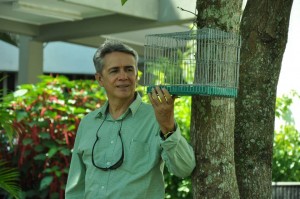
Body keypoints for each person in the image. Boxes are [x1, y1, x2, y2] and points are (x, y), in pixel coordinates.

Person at [65, 40, 196, 199]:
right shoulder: (88, 123)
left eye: (129, 70)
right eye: (114, 71)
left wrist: (168, 125)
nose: (123, 77)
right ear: (100, 79)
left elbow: (184, 169)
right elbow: (76, 187)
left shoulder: (157, 117)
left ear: (137, 75)